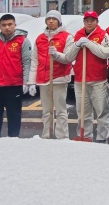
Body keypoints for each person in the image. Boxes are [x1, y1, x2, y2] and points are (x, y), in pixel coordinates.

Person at [56, 11, 109, 143]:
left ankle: (102, 138)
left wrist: (89, 43)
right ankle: (85, 136)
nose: (89, 22)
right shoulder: (78, 35)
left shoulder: (103, 34)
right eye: (87, 20)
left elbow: (105, 53)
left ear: (97, 21)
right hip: (81, 80)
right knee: (83, 113)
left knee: (102, 112)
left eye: (92, 20)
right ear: (84, 21)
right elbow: (69, 57)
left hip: (98, 80)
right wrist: (77, 45)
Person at [0, 14, 31, 138]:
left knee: (14, 116)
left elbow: (27, 62)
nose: (7, 27)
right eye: (4, 25)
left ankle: (13, 140)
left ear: (15, 25)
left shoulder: (22, 41)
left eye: (10, 24)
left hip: (14, 84)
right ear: (0, 27)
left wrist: (26, 82)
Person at [27, 10, 73, 139]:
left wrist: (56, 55)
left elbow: (68, 57)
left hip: (59, 77)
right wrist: (32, 82)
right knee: (46, 111)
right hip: (43, 79)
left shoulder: (66, 37)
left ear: (59, 21)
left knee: (60, 110)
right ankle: (46, 135)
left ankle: (62, 136)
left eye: (54, 19)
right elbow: (34, 60)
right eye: (48, 19)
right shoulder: (40, 38)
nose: (51, 21)